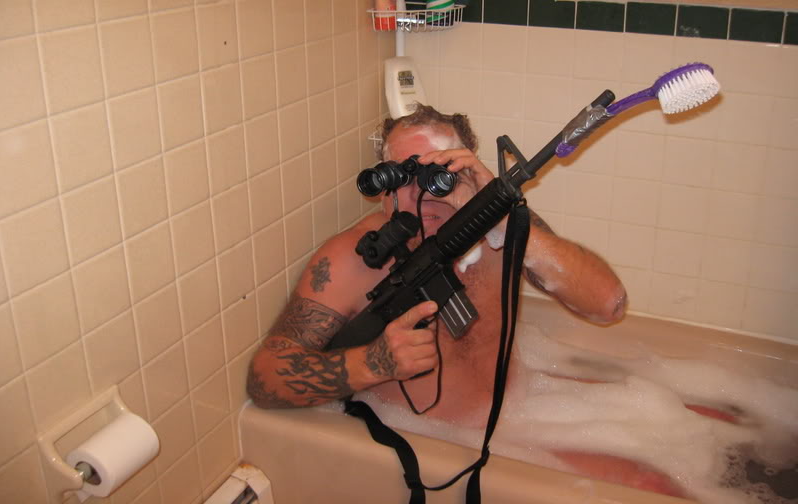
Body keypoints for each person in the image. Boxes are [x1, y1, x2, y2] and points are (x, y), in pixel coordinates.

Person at [246, 105, 626, 423]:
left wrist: (499, 217)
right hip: (419, 440)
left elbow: (609, 305)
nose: (419, 192)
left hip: (515, 419)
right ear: (383, 185)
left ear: (467, 172)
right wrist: (372, 364)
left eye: (436, 175)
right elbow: (264, 381)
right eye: (402, 175)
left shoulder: (503, 230)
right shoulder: (350, 259)